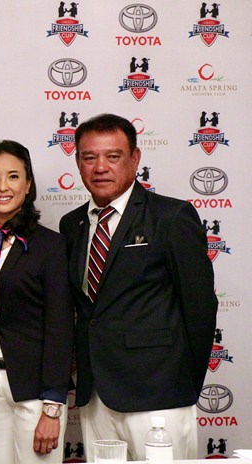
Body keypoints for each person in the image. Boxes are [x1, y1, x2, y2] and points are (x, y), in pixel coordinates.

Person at [59, 113, 217, 461]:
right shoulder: (71, 225)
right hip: (95, 395)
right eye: (90, 157)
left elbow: (201, 308)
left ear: (135, 159)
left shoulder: (171, 217)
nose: (100, 167)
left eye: (113, 156)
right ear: (78, 162)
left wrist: (182, 384)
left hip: (159, 395)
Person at [0, 140, 74, 464]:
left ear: (28, 184)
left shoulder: (50, 246)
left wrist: (53, 406)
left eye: (13, 176)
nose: (3, 186)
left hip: (35, 391)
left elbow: (60, 327)